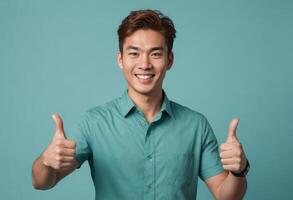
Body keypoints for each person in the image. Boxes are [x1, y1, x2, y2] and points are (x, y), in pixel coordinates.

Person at [32, 9, 249, 200]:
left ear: (169, 60)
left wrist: (238, 171)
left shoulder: (196, 125)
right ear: (120, 59)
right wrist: (47, 161)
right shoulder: (94, 122)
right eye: (134, 53)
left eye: (155, 54)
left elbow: (225, 195)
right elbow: (42, 182)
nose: (144, 64)